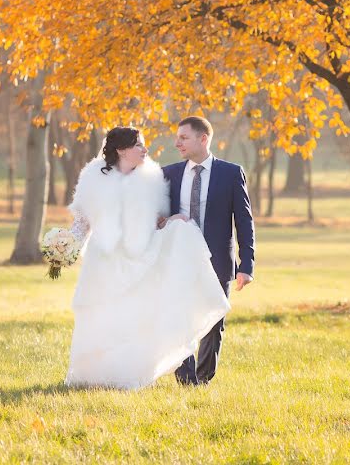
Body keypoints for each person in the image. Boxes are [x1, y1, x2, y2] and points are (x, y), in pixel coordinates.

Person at [64, 126, 230, 390]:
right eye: (139, 145)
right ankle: (92, 375)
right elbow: (83, 222)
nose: (145, 150)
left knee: (131, 316)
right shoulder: (94, 178)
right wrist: (66, 246)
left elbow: (155, 222)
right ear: (121, 150)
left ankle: (125, 375)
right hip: (104, 259)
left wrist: (172, 221)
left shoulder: (151, 179)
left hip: (136, 259)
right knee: (102, 314)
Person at [159, 116, 255, 386]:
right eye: (177, 137)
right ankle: (187, 380)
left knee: (214, 321)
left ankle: (203, 378)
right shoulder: (169, 174)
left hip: (218, 261)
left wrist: (246, 265)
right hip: (179, 257)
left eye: (184, 137)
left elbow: (244, 222)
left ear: (203, 139)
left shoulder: (231, 173)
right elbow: (157, 218)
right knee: (181, 319)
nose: (177, 143)